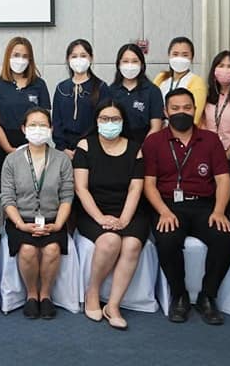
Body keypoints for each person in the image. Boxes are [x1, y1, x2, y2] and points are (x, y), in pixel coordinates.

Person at [143, 88, 230, 326]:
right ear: (165, 111)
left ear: (195, 110)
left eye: (186, 108)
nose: (181, 112)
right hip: (168, 205)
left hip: (204, 205)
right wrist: (163, 212)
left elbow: (223, 179)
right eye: (175, 108)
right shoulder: (153, 142)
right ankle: (179, 295)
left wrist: (219, 211)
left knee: (223, 238)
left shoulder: (210, 140)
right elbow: (149, 184)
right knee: (167, 240)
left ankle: (208, 296)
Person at [73, 102, 150, 331]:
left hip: (129, 210)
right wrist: (100, 218)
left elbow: (135, 189)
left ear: (123, 122)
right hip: (93, 210)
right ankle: (93, 293)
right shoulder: (85, 145)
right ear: (96, 121)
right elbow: (81, 189)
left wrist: (125, 219)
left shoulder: (135, 148)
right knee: (110, 241)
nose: (109, 123)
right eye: (104, 119)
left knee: (132, 244)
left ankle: (113, 305)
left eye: (115, 119)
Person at [1, 107, 73, 320]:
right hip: (21, 219)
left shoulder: (61, 159)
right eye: (32, 125)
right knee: (27, 250)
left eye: (43, 125)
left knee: (52, 249)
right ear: (23, 129)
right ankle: (32, 294)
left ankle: (46, 295)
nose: (38, 129)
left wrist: (58, 224)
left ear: (51, 129)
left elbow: (67, 196)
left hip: (53, 219)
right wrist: (20, 224)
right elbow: (7, 198)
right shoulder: (12, 160)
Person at [0, 37, 51, 162]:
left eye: (25, 56)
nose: (20, 60)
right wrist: (8, 148)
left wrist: (35, 143)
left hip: (35, 144)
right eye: (16, 55)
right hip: (6, 145)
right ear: (8, 56)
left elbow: (46, 119)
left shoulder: (39, 84)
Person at [52, 39, 111, 159]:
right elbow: (56, 121)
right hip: (64, 151)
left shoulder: (101, 87)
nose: (78, 59)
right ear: (68, 59)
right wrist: (63, 148)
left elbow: (103, 121)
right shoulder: (61, 88)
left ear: (91, 58)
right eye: (74, 56)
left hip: (92, 148)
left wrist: (85, 145)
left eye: (83, 56)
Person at [109, 43, 164, 143]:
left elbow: (156, 127)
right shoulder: (111, 91)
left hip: (143, 144)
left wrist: (144, 148)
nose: (130, 65)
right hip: (115, 144)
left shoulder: (153, 91)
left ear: (142, 65)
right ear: (118, 65)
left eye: (135, 61)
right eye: (125, 61)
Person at [153, 36, 207, 124]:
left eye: (185, 55)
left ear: (192, 58)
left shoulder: (197, 82)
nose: (179, 58)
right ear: (169, 56)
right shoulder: (161, 77)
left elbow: (195, 117)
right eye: (175, 54)